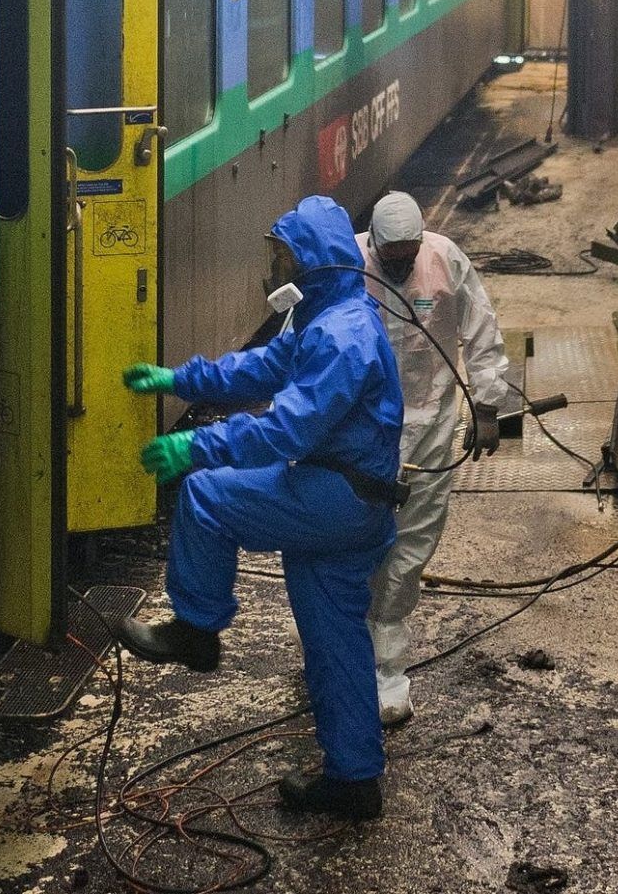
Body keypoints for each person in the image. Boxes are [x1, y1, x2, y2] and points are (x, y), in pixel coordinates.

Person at [115, 194, 405, 821]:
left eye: (283, 256)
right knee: (334, 643)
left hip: (338, 498)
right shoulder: (330, 315)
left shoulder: (341, 336)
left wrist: (197, 446)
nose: (275, 268)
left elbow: (287, 432)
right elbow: (265, 367)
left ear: (313, 262)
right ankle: (354, 780)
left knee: (207, 496)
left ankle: (196, 629)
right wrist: (180, 381)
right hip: (354, 499)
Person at [357, 190, 517, 729]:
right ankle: (339, 652)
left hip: (430, 432)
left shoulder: (445, 260)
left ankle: (387, 673)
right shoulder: (346, 263)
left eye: (408, 254)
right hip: (362, 436)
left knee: (409, 550)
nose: (401, 265)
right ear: (374, 243)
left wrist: (489, 407)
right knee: (354, 544)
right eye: (391, 256)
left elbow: (482, 332)